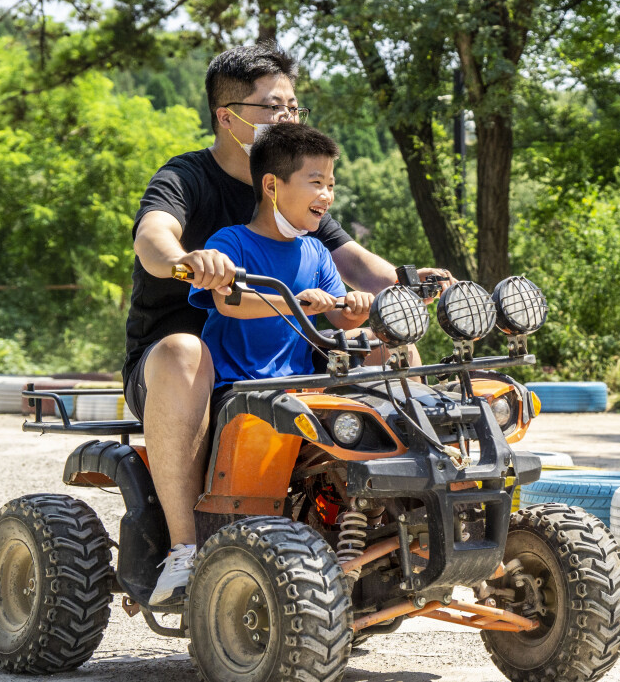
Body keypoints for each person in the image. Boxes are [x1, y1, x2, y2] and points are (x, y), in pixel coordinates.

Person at [125, 43, 450, 606]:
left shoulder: (293, 187)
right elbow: (152, 237)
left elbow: (349, 260)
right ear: (228, 118)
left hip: (282, 354)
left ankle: (408, 516)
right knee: (184, 349)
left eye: (294, 108)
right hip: (181, 369)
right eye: (273, 108)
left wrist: (403, 282)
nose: (288, 119)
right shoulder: (187, 177)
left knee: (387, 348)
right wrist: (187, 261)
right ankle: (186, 548)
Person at [187, 123, 372, 442]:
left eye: (331, 185)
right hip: (241, 390)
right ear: (271, 186)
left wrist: (357, 307)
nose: (327, 196)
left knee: (379, 345)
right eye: (316, 182)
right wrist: (297, 302)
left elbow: (341, 318)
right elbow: (229, 302)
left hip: (303, 389)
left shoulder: (316, 251)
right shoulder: (230, 243)